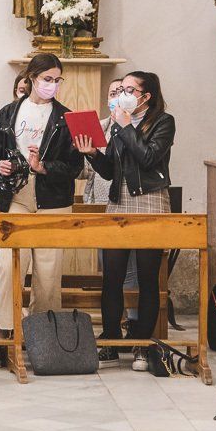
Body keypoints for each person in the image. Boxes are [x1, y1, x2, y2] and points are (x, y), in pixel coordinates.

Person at [0, 53, 84, 369]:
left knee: (49, 273)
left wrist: (45, 167)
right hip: (17, 196)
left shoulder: (67, 117)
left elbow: (77, 166)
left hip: (53, 199)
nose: (52, 84)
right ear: (32, 78)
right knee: (10, 265)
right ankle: (4, 334)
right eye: (46, 78)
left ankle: (45, 337)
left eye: (57, 79)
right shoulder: (8, 114)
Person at [74, 71, 175, 371]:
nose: (123, 94)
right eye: (122, 89)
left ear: (147, 96)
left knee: (146, 278)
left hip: (150, 202)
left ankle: (142, 344)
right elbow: (110, 171)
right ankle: (109, 339)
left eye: (130, 89)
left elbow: (148, 158)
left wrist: (125, 126)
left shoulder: (163, 122)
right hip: (119, 201)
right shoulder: (119, 124)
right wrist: (92, 153)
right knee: (112, 277)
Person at [82, 79, 139, 334]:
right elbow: (89, 170)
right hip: (100, 203)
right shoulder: (102, 126)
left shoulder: (131, 125)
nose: (116, 96)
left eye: (121, 92)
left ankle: (133, 320)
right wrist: (89, 153)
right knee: (109, 270)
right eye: (112, 92)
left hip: (126, 202)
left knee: (130, 271)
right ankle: (114, 324)